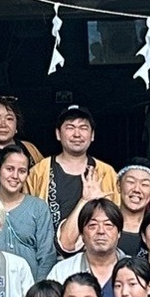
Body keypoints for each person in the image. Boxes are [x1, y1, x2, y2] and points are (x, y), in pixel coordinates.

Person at [28, 104, 119, 250]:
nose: (77, 134)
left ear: (92, 135)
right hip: (46, 254)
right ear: (58, 134)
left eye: (83, 128)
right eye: (70, 127)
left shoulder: (106, 173)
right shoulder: (40, 171)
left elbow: (117, 217)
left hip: (95, 254)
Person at [0, 142, 59, 280]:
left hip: (29, 286)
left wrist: (37, 289)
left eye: (22, 171)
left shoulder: (38, 208)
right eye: (9, 169)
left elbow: (47, 256)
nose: (15, 176)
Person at [48, 198, 127, 297]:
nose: (101, 231)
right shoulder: (62, 271)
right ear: (81, 234)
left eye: (108, 225)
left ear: (119, 233)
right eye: (93, 225)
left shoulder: (135, 271)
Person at [0, 94, 43, 177]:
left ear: (16, 125)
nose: (3, 125)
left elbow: (43, 177)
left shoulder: (30, 149)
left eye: (9, 119)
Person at [110, 163, 150, 254]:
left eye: (144, 184)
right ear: (118, 185)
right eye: (131, 182)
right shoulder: (103, 222)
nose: (137, 189)